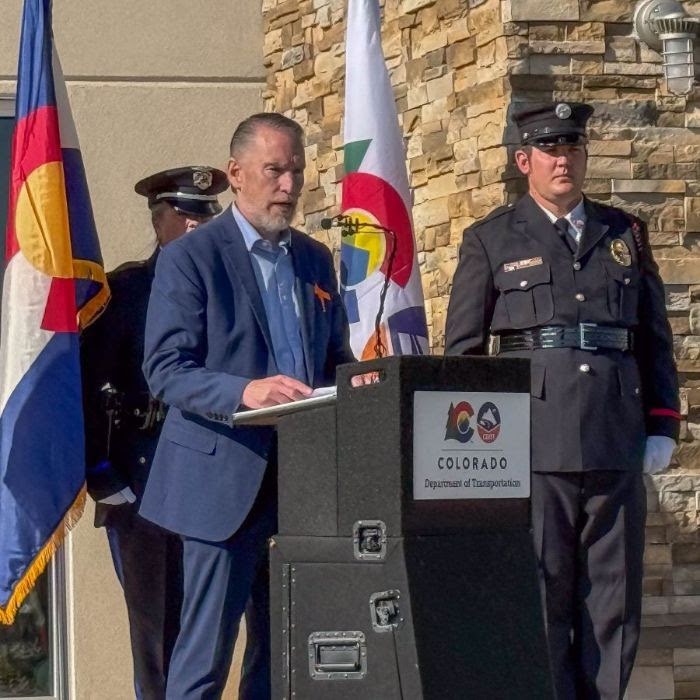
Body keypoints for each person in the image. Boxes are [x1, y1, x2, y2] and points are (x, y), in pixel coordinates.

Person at [444, 102, 680, 699]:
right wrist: (475, 452)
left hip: (613, 433)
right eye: (550, 149)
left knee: (613, 596)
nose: (563, 160)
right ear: (525, 161)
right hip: (531, 440)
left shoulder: (624, 232)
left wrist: (662, 424)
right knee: (540, 589)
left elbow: (653, 338)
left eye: (573, 148)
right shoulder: (490, 239)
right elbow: (464, 354)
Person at [139, 112, 355, 699]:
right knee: (204, 660)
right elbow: (165, 370)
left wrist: (363, 383)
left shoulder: (314, 258)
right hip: (221, 482)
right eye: (274, 171)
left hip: (302, 483)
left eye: (297, 172)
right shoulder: (193, 257)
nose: (288, 186)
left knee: (283, 655)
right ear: (236, 174)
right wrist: (244, 391)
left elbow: (333, 356)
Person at [80, 165, 228, 700]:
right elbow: (87, 384)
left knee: (206, 632)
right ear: (159, 220)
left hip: (213, 479)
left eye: (204, 215)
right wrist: (101, 474)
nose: (195, 226)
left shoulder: (227, 288)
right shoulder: (125, 290)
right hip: (141, 479)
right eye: (183, 215)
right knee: (156, 637)